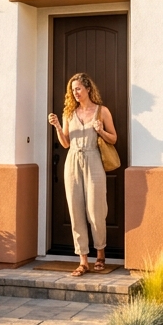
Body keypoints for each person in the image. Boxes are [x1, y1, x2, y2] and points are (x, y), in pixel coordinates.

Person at [48, 72, 117, 276]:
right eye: (73, 90)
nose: (75, 92)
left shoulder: (102, 111)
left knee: (96, 210)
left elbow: (114, 138)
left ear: (88, 88)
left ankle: (100, 254)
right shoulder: (69, 113)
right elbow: (65, 143)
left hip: (94, 158)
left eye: (78, 88)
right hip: (72, 162)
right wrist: (57, 126)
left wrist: (101, 130)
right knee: (75, 210)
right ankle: (83, 260)